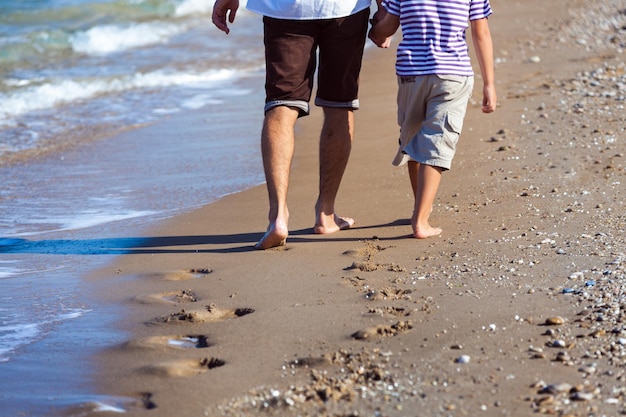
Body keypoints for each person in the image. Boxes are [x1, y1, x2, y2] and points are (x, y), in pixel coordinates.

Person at [212, 0, 389, 249]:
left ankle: (277, 217)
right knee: (339, 104)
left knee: (281, 104)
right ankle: (326, 214)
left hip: (286, 9)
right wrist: (386, 8)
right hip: (345, 10)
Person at [369, 0, 497, 239]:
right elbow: (481, 33)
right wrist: (489, 83)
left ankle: (420, 208)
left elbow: (387, 26)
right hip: (452, 74)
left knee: (414, 141)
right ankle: (420, 220)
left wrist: (376, 32)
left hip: (411, 74)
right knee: (437, 142)